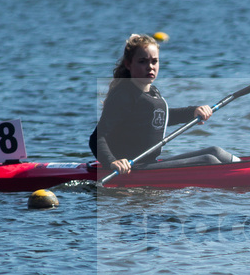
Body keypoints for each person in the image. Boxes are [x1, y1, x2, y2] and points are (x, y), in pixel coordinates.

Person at [90, 34, 239, 175]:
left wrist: (193, 111)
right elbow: (96, 137)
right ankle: (242, 179)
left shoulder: (152, 92)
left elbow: (159, 117)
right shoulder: (124, 95)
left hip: (149, 163)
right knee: (208, 161)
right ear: (129, 64)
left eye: (154, 61)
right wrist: (112, 162)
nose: (150, 66)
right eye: (143, 61)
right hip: (131, 168)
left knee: (215, 152)